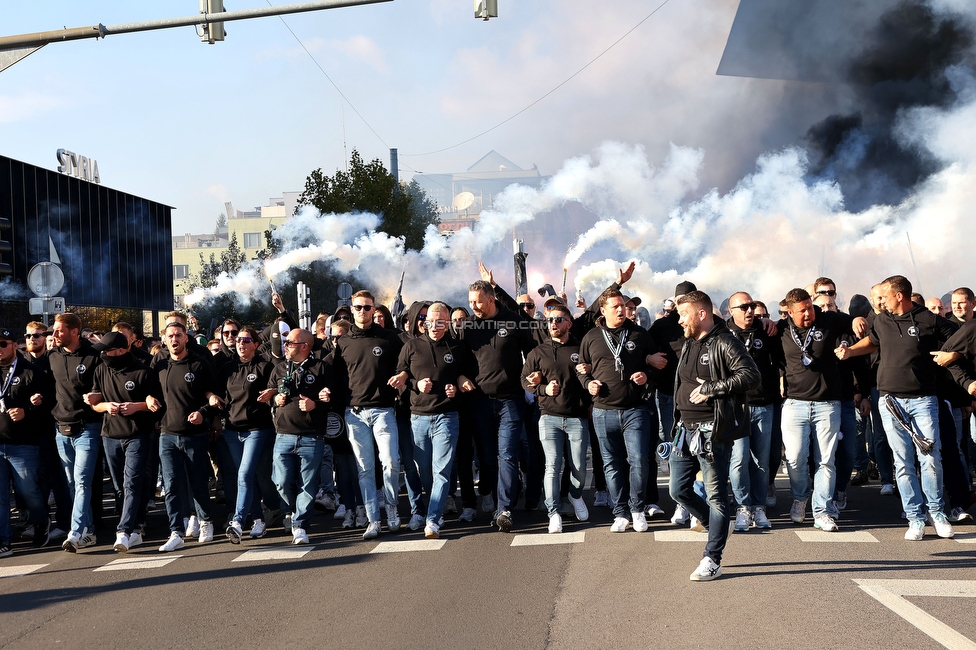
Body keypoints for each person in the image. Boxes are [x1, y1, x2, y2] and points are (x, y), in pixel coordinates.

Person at [837, 275, 957, 540]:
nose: (881, 301)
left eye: (885, 296)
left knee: (930, 459)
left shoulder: (928, 319)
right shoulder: (881, 320)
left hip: (923, 400)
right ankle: (914, 518)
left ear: (899, 295)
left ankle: (936, 513)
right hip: (890, 401)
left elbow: (960, 338)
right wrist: (850, 351)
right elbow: (872, 342)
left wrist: (953, 355)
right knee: (902, 463)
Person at [670, 291, 759, 580]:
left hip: (712, 431)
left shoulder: (725, 341)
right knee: (677, 490)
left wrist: (711, 388)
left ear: (702, 314)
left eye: (684, 314)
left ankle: (712, 558)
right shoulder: (688, 343)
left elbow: (750, 375)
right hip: (684, 430)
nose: (679, 319)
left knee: (717, 496)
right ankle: (716, 524)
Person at [578, 289, 660, 533]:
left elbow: (658, 365)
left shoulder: (639, 334)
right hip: (603, 411)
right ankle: (621, 512)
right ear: (603, 311)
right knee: (611, 464)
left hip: (635, 409)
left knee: (639, 461)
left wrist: (647, 375)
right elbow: (581, 370)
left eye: (622, 306)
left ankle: (637, 509)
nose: (621, 310)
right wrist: (588, 384)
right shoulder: (591, 336)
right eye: (615, 306)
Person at [391, 302, 475, 538]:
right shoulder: (411, 346)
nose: (435, 327)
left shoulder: (458, 347)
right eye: (431, 322)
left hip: (447, 416)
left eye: (440, 322)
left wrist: (458, 384)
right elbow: (402, 374)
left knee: (442, 471)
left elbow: (465, 372)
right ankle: (431, 508)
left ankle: (433, 519)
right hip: (418, 417)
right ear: (425, 323)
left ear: (447, 323)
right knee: (423, 470)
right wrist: (414, 383)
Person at [460, 278, 538, 532]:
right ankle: (493, 496)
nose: (473, 306)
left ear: (491, 299)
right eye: (470, 302)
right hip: (480, 401)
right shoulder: (468, 326)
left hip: (510, 400)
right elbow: (458, 360)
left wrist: (531, 377)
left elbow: (533, 352)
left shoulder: (513, 321)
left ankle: (504, 508)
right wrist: (461, 377)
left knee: (507, 454)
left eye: (478, 302)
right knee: (487, 457)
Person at [775, 288, 853, 532]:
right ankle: (800, 499)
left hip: (828, 403)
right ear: (789, 312)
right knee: (796, 457)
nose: (809, 313)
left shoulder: (827, 319)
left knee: (826, 461)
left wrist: (859, 319)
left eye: (810, 307)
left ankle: (822, 510)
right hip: (795, 404)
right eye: (802, 310)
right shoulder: (779, 329)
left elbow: (853, 321)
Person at [331, 290, 405, 539]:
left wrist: (402, 376)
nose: (362, 311)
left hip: (384, 410)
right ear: (351, 310)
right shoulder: (342, 343)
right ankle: (373, 519)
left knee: (391, 462)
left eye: (367, 307)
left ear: (375, 310)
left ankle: (392, 507)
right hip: (354, 413)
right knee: (364, 468)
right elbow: (333, 377)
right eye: (358, 307)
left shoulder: (390, 338)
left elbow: (408, 361)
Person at [260, 328, 338, 545]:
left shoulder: (321, 368)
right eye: (285, 342)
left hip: (312, 436)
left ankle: (300, 525)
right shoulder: (279, 368)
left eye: (290, 343)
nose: (285, 345)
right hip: (284, 434)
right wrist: (274, 399)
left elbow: (335, 398)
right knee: (282, 481)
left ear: (305, 346)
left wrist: (317, 404)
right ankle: (291, 512)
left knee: (308, 484)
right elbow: (270, 393)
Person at [152, 322, 221, 552]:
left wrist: (204, 411)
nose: (174, 339)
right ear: (164, 339)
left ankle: (205, 522)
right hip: (167, 434)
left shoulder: (199, 363)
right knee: (171, 486)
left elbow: (211, 393)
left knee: (198, 482)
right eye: (170, 336)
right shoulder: (159, 364)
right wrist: (149, 398)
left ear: (186, 338)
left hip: (194, 434)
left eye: (179, 335)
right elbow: (148, 388)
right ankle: (176, 532)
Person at [522, 303, 591, 533]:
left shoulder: (581, 347)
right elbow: (525, 381)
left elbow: (592, 375)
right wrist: (542, 389)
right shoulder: (537, 352)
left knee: (579, 468)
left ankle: (574, 495)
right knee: (552, 466)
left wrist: (589, 372)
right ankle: (554, 513)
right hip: (549, 417)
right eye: (550, 320)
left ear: (569, 323)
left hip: (577, 416)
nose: (553, 323)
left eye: (559, 319)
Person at [90, 331, 159, 553]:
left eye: (106, 350)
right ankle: (137, 525)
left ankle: (124, 530)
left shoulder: (143, 371)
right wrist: (104, 406)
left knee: (132, 482)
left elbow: (156, 404)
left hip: (137, 434)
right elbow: (96, 403)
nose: (102, 354)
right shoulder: (101, 369)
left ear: (121, 351)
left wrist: (136, 406)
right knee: (120, 486)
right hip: (110, 434)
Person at [725, 292, 780, 531]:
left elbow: (780, 360)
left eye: (752, 306)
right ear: (731, 310)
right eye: (744, 307)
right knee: (738, 460)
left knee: (761, 461)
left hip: (763, 404)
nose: (749, 311)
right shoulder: (722, 333)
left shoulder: (766, 330)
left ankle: (759, 507)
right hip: (735, 407)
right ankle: (742, 507)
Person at [50, 313, 103, 552]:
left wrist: (98, 396)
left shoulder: (94, 356)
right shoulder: (52, 356)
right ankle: (89, 530)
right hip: (61, 429)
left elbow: (105, 387)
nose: (54, 335)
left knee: (82, 481)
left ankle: (76, 531)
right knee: (72, 482)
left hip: (88, 429)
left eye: (59, 330)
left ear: (74, 332)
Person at [218, 326, 276, 543]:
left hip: (257, 430)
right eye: (239, 340)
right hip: (232, 430)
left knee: (244, 474)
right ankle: (259, 520)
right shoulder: (227, 368)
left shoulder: (265, 366)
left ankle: (238, 521)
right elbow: (221, 395)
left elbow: (279, 385)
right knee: (246, 476)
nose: (241, 343)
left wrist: (274, 392)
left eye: (246, 340)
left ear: (256, 344)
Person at [0, 326, 52, 557]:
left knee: (28, 490)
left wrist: (27, 411)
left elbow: (48, 406)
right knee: (0, 496)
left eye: (3, 344)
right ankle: (4, 541)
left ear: (14, 346)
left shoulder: (31, 372)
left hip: (23, 443)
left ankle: (41, 520)